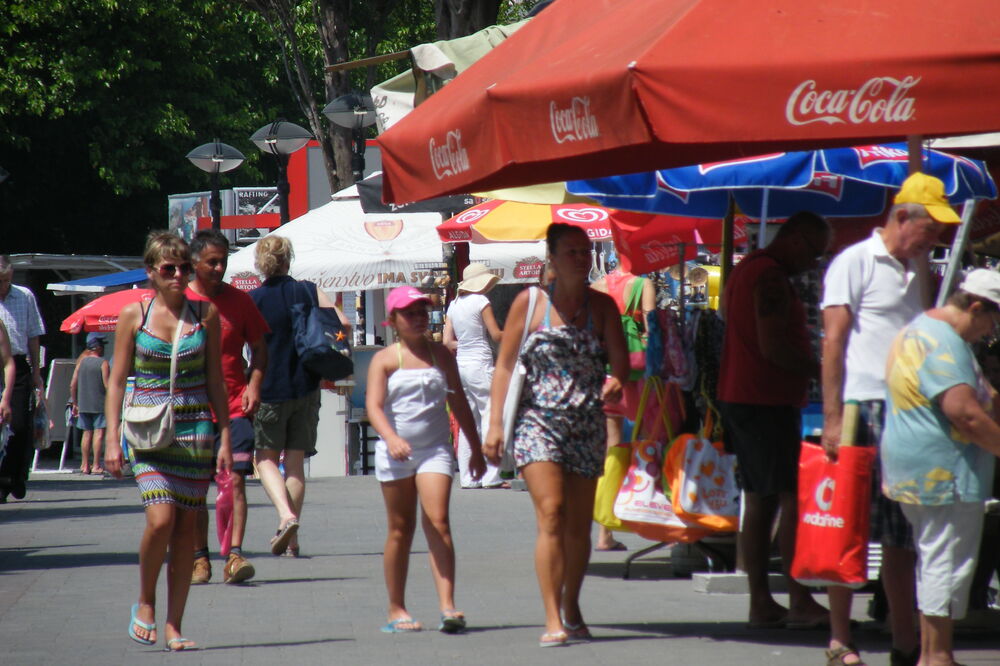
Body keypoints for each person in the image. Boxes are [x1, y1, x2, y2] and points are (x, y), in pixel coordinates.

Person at [821, 172, 959, 666]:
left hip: (909, 412)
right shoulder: (854, 262)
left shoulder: (919, 269)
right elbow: (833, 340)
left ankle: (905, 642)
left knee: (902, 532)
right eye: (931, 229)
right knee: (849, 527)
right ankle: (840, 637)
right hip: (864, 407)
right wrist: (834, 418)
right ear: (903, 218)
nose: (936, 239)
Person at [484, 223, 628, 647]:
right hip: (538, 423)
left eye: (585, 251)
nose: (581, 258)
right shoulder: (529, 304)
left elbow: (619, 360)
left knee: (579, 527)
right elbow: (506, 365)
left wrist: (616, 380)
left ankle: (572, 604)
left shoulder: (602, 306)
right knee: (552, 513)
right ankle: (552, 616)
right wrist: (494, 425)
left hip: (586, 423)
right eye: (571, 251)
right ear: (551, 258)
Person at [104, 231, 233, 651]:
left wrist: (225, 435)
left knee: (185, 532)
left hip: (195, 432)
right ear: (151, 273)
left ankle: (175, 625)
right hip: (147, 430)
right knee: (160, 520)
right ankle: (145, 600)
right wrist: (110, 439)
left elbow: (215, 378)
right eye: (168, 269)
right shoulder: (133, 314)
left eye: (183, 268)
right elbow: (118, 381)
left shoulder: (205, 314)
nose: (178, 275)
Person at [716, 211, 833, 630]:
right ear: (797, 240)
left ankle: (765, 600)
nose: (814, 264)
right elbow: (773, 347)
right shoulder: (769, 277)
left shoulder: (749, 269)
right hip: (763, 398)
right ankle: (795, 598)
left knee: (764, 498)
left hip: (749, 396)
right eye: (816, 254)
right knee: (785, 496)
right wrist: (823, 371)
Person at [882, 269, 1000, 666]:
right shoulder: (944, 343)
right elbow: (965, 414)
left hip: (919, 468)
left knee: (935, 557)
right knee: (943, 561)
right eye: (991, 321)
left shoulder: (919, 328)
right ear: (977, 307)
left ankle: (936, 654)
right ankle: (936, 656)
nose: (990, 332)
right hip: (942, 472)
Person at [366, 286, 486, 634]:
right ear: (392, 320)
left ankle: (448, 606)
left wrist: (475, 448)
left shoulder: (442, 355)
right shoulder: (385, 360)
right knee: (400, 530)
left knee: (439, 521)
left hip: (435, 449)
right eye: (409, 313)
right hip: (396, 451)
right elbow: (374, 406)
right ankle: (396, 607)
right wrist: (391, 437)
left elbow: (459, 402)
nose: (418, 318)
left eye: (422, 312)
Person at [250, 235, 349, 557]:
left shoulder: (253, 300)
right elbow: (342, 323)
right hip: (306, 386)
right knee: (295, 465)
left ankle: (285, 516)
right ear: (289, 258)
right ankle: (292, 541)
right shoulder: (308, 290)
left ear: (260, 263)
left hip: (267, 389)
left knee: (265, 458)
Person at [187, 230, 269, 585]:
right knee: (194, 490)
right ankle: (199, 558)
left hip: (235, 406)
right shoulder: (180, 302)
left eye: (223, 261)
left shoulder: (241, 302)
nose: (220, 268)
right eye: (212, 262)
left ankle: (234, 556)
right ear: (194, 263)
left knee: (235, 480)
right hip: (191, 409)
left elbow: (261, 349)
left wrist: (254, 384)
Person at [591, 266, 656, 551]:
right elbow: (653, 333)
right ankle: (651, 520)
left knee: (611, 449)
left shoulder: (597, 285)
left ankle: (605, 532)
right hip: (636, 376)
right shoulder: (643, 285)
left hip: (604, 375)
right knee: (647, 444)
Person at [442, 262, 504, 489]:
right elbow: (496, 335)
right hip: (481, 364)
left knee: (469, 422)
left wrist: (466, 342)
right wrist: (519, 331)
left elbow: (447, 342)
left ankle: (469, 477)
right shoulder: (481, 302)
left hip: (461, 366)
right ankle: (491, 476)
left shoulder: (454, 305)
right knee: (489, 416)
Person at [0, 255, 46, 502]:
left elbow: (33, 335)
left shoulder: (24, 296)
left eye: (6, 280)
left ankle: (14, 475)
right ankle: (4, 479)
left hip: (17, 365)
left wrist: (37, 373)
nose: (2, 286)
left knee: (18, 425)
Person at [69, 333, 109, 475]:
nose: (103, 348)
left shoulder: (81, 363)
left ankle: (84, 465)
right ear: (96, 347)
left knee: (86, 434)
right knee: (98, 434)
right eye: (102, 345)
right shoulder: (103, 363)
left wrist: (75, 403)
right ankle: (96, 465)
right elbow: (107, 385)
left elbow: (72, 384)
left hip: (83, 404)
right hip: (99, 404)